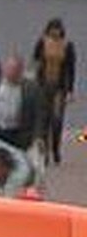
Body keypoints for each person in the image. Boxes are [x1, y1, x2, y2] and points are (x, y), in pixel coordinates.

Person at [33, 17, 76, 166]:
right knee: (43, 119)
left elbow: (71, 68)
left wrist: (70, 90)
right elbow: (36, 61)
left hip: (59, 87)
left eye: (58, 29)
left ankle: (55, 148)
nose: (55, 32)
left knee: (57, 119)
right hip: (43, 85)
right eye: (53, 29)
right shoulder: (42, 43)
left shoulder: (67, 45)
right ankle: (44, 153)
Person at [0, 54, 42, 156]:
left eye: (16, 70)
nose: (12, 73)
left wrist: (38, 137)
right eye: (10, 69)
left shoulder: (31, 89)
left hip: (18, 135)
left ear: (21, 72)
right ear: (4, 68)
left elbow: (38, 114)